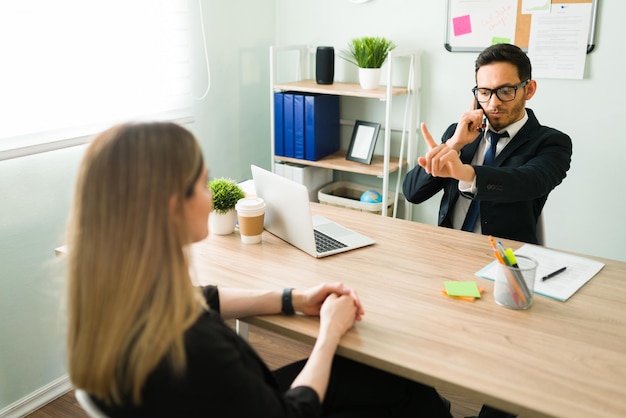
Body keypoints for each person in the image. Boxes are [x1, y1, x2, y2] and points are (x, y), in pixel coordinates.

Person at [65, 121, 452, 417]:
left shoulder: (109, 301)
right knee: (412, 392)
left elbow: (199, 300)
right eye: (203, 183)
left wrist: (293, 298)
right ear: (172, 207)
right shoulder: (196, 348)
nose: (215, 188)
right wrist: (330, 333)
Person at [403, 43, 572, 245]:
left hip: (504, 260)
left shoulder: (551, 142)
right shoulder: (459, 134)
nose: (493, 103)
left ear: (529, 90)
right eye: (484, 92)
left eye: (506, 91)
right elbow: (412, 193)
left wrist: (465, 173)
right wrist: (454, 144)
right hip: (448, 250)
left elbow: (527, 182)